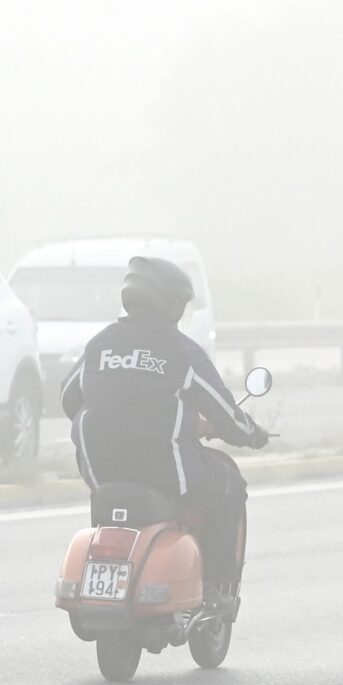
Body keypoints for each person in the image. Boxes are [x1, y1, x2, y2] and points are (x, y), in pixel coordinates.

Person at [62, 255, 266, 600]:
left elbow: (69, 399)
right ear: (171, 302)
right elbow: (226, 416)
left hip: (101, 473)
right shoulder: (181, 352)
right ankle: (217, 591)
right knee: (230, 486)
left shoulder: (100, 345)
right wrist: (252, 433)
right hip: (165, 473)